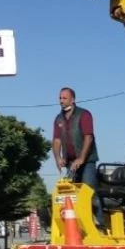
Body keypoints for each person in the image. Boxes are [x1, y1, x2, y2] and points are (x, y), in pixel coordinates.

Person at [53, 87, 103, 228]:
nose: (61, 100)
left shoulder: (84, 114)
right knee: (72, 194)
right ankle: (79, 225)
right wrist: (58, 158)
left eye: (64, 98)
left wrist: (81, 158)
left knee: (89, 190)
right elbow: (56, 140)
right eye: (60, 98)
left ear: (72, 99)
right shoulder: (58, 118)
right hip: (70, 162)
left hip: (87, 161)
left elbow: (88, 137)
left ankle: (100, 224)